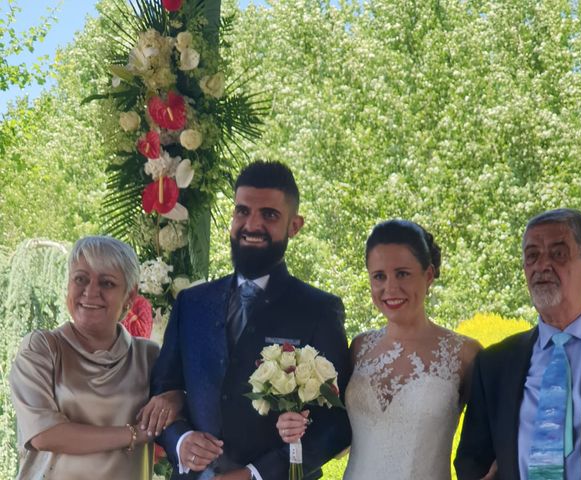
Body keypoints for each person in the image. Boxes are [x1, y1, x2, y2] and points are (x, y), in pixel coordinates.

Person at [150, 160, 351, 480]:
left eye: (269, 215)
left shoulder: (319, 310)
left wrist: (255, 474)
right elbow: (163, 393)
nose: (251, 224)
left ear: (294, 225)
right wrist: (181, 441)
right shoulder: (192, 304)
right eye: (242, 211)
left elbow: (335, 426)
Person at [277, 219, 481, 479]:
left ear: (428, 275)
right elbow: (333, 428)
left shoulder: (466, 354)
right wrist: (293, 424)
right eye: (379, 276)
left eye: (402, 274)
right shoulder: (359, 347)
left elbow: (486, 448)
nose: (390, 288)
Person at [455, 208, 581, 480]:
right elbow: (473, 461)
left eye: (558, 254)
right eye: (532, 256)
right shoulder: (495, 364)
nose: (542, 266)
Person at [9, 236, 181, 480]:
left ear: (129, 297)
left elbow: (183, 407)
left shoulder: (149, 356)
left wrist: (176, 399)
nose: (90, 292)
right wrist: (135, 435)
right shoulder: (42, 348)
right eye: (81, 279)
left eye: (107, 283)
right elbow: (44, 434)